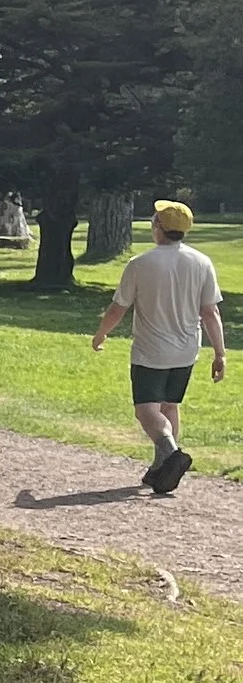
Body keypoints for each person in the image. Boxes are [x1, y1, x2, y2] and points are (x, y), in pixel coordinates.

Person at [92, 202, 223, 494]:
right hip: (187, 348)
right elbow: (210, 312)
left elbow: (118, 308)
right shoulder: (202, 262)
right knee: (169, 406)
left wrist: (101, 334)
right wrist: (220, 353)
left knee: (146, 410)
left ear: (159, 229)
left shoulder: (140, 264)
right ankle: (161, 469)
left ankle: (171, 453)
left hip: (151, 349)